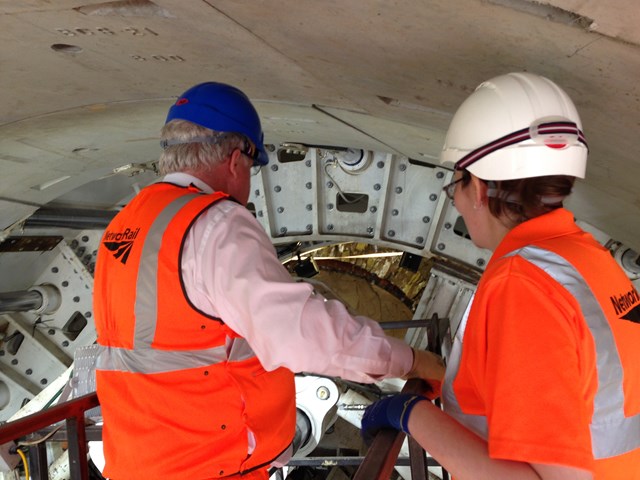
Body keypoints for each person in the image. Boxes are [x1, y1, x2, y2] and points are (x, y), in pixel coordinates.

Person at [92, 81, 444, 480]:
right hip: (211, 463)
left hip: (139, 464)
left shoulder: (127, 223)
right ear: (236, 159)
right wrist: (414, 361)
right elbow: (307, 336)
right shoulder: (215, 223)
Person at [361, 72, 640, 479]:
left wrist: (410, 414)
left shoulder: (524, 286)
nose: (455, 199)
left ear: (477, 186)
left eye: (455, 182)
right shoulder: (586, 259)